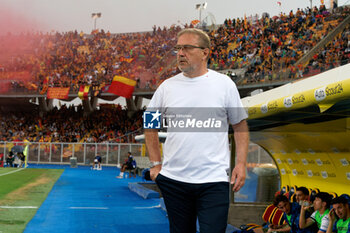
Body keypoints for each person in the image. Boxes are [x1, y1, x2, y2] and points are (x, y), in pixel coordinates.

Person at [144, 28, 249, 233]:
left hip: (213, 180)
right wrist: (156, 164)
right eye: (178, 48)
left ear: (205, 52)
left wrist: (241, 164)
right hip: (174, 180)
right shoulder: (167, 87)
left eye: (187, 48)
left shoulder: (224, 85)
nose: (180, 53)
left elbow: (239, 125)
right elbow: (150, 124)